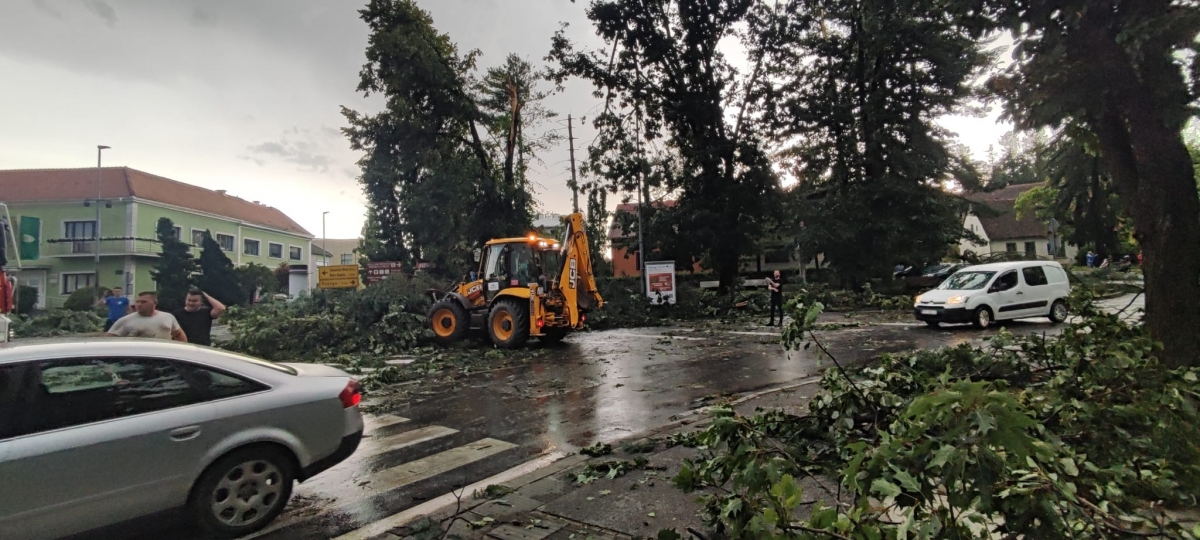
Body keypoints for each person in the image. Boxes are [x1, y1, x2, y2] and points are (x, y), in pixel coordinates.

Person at [107, 291, 187, 342]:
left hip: (163, 357)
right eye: (137, 302)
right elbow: (110, 340)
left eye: (143, 302)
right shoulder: (125, 320)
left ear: (154, 303)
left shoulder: (168, 317)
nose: (139, 304)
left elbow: (179, 336)